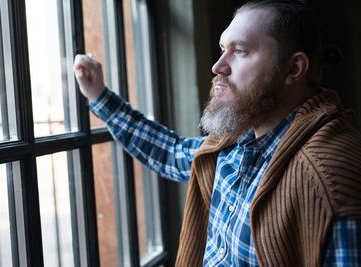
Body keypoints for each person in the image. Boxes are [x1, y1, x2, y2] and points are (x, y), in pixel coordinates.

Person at [74, 0, 361, 266]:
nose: (218, 67)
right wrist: (100, 97)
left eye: (240, 51)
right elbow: (171, 152)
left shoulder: (330, 182)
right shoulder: (237, 139)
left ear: (294, 68)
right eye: (223, 48)